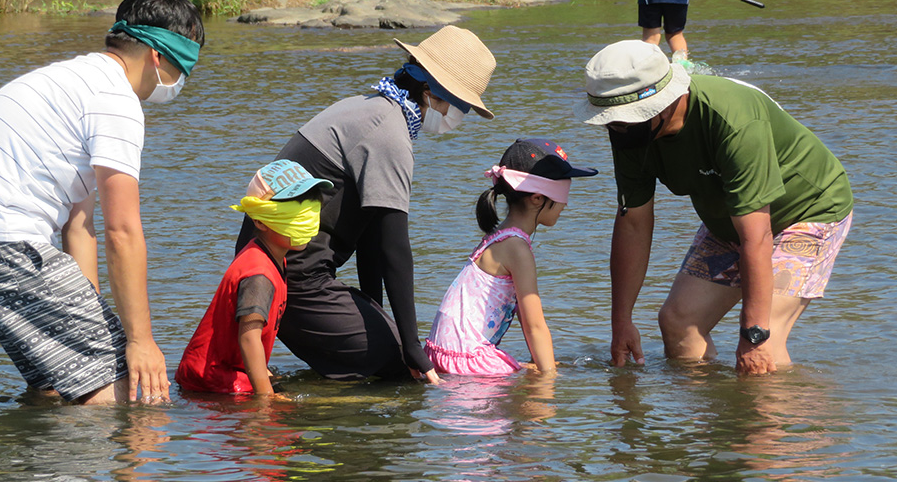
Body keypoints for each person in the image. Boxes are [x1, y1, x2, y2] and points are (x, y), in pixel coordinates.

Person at [0, 0, 204, 404]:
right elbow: (123, 230)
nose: (180, 81)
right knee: (138, 390)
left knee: (57, 384)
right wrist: (141, 341)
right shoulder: (116, 101)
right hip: (4, 244)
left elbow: (79, 224)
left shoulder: (74, 78)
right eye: (183, 67)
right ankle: (137, 466)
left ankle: (47, 466)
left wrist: (92, 318)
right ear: (157, 56)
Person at [235, 25, 497, 384]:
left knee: (386, 349)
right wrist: (411, 346)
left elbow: (371, 238)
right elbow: (394, 249)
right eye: (461, 106)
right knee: (400, 369)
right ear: (431, 92)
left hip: (277, 267)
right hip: (287, 277)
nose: (459, 116)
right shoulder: (389, 134)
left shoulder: (369, 108)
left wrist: (377, 314)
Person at [575, 40, 853, 375]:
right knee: (679, 323)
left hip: (806, 211)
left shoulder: (732, 120)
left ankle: (784, 424)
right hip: (729, 217)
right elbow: (633, 223)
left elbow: (758, 237)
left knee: (766, 339)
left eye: (624, 121)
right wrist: (621, 321)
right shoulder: (631, 132)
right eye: (611, 121)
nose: (615, 130)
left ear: (662, 103)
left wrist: (752, 336)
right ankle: (711, 424)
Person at [424, 139, 598, 376]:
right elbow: (534, 325)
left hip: (440, 353)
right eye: (562, 195)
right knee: (545, 379)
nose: (566, 204)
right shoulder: (517, 249)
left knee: (527, 370)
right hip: (466, 359)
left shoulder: (498, 236)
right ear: (537, 198)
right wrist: (548, 380)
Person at [176, 160, 330, 396]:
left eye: (310, 207)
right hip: (212, 381)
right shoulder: (259, 273)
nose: (306, 218)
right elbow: (249, 338)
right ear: (260, 220)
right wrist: (266, 399)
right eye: (294, 211)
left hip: (226, 372)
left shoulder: (270, 255)